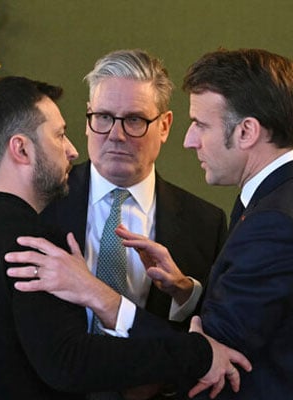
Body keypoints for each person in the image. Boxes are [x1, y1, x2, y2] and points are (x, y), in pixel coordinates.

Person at [6, 48, 293, 400]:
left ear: (246, 132)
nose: (190, 141)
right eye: (102, 117)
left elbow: (211, 357)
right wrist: (187, 294)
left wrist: (100, 296)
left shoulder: (247, 221)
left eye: (134, 120)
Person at [0, 76, 250, 400]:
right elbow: (70, 361)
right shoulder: (33, 244)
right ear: (21, 149)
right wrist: (198, 354)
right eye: (59, 135)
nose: (73, 150)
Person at [41, 49, 226, 329]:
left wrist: (184, 292)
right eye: (103, 117)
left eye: (134, 120)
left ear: (164, 126)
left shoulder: (205, 224)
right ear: (88, 118)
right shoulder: (41, 204)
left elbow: (216, 325)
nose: (116, 135)